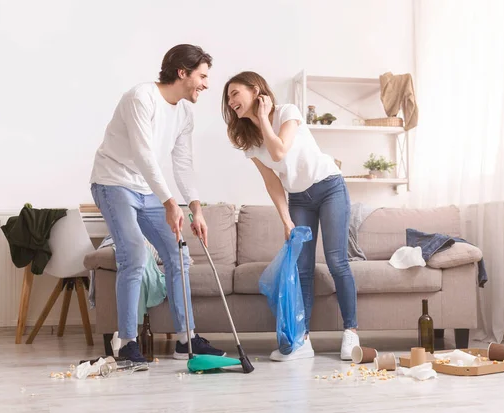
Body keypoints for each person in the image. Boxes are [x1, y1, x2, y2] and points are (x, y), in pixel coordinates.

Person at [90, 44, 224, 363]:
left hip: (145, 187)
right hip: (113, 182)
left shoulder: (185, 114)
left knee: (180, 255)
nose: (206, 84)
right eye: (202, 76)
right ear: (182, 73)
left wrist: (195, 207)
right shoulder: (141, 97)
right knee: (134, 254)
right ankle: (125, 342)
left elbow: (182, 162)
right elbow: (143, 153)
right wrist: (168, 202)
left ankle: (185, 340)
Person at [221, 71, 360, 361]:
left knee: (336, 260)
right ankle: (302, 340)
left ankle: (351, 333)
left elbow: (280, 151)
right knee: (303, 269)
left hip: (330, 187)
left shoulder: (287, 112)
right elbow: (271, 180)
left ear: (255, 89)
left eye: (235, 93)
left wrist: (262, 118)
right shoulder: (248, 141)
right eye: (228, 97)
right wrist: (286, 219)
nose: (231, 100)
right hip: (299, 198)